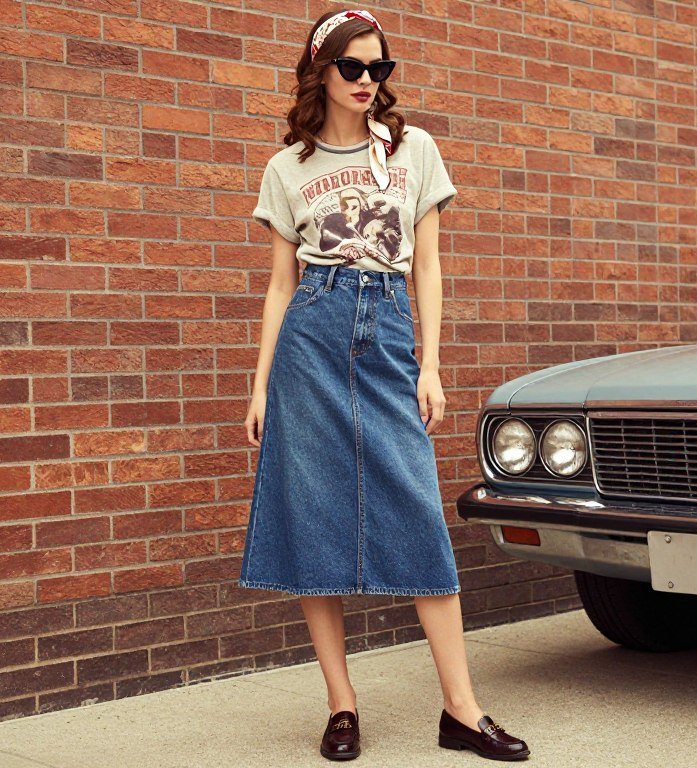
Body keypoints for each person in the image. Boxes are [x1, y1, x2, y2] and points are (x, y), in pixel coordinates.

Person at [238, 8, 531, 763]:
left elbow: (427, 265)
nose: (369, 81)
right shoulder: (286, 168)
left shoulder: (413, 149)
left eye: (380, 68)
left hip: (389, 328)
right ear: (320, 72)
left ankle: (461, 710)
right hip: (311, 334)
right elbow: (279, 287)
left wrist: (430, 363)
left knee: (416, 508)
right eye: (353, 68)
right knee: (310, 515)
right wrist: (261, 385)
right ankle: (341, 704)